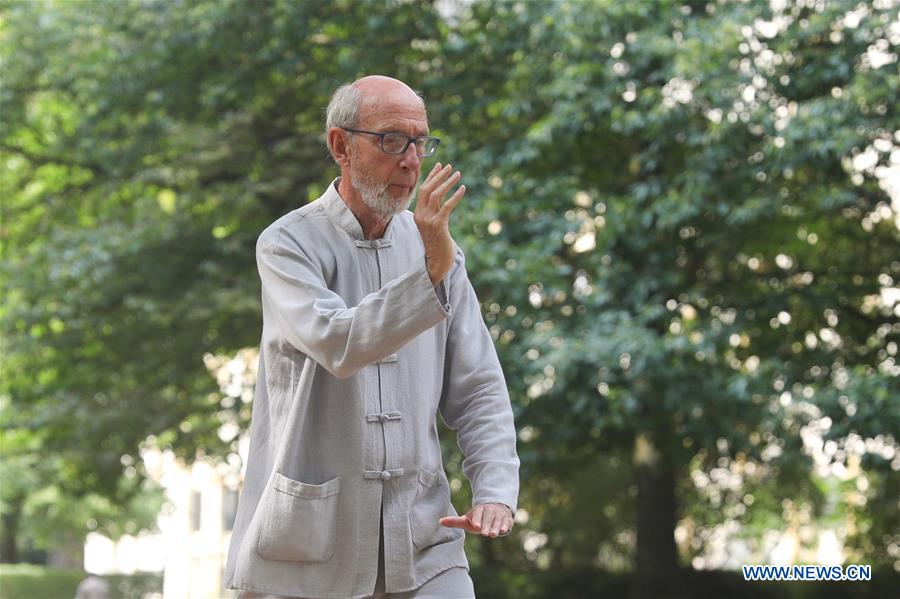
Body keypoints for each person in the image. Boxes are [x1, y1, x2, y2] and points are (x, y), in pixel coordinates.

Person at [224, 75, 520, 598]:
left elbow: (479, 388)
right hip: (311, 548)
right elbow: (341, 344)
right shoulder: (287, 244)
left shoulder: (439, 252)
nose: (411, 159)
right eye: (391, 140)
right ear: (341, 146)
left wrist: (496, 490)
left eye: (420, 142)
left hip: (426, 540)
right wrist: (431, 270)